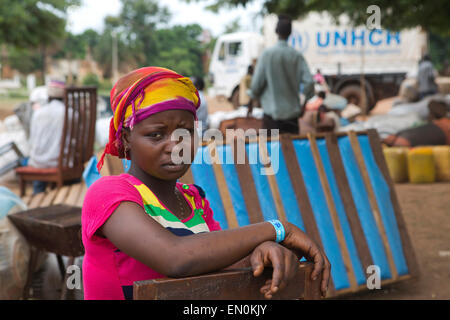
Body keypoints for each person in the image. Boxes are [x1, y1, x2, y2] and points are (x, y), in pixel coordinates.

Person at [82, 66, 330, 300]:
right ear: (126, 138)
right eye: (156, 135)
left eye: (185, 132)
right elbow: (176, 257)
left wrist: (262, 253)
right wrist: (277, 230)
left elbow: (215, 262)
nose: (175, 145)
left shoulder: (193, 200)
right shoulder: (109, 194)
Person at [249, 14, 314, 134]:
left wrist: (251, 102)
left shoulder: (267, 55)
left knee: (270, 152)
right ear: (290, 33)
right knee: (290, 152)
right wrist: (303, 105)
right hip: (292, 119)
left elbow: (256, 86)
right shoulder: (296, 56)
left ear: (276, 31)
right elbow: (309, 82)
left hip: (271, 119)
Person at [28, 79, 66, 194]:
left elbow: (32, 140)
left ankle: (37, 195)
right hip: (63, 164)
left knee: (33, 163)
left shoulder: (38, 113)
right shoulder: (70, 112)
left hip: (39, 162)